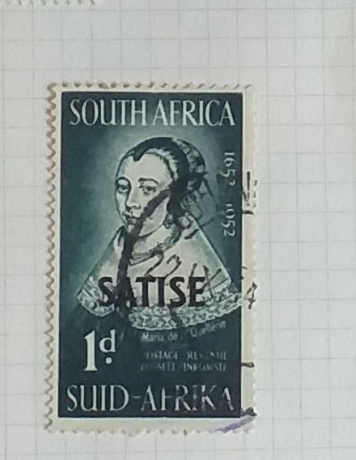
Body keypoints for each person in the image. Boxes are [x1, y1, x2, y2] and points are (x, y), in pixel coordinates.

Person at [78, 136, 239, 380]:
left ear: (175, 196)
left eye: (148, 189)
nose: (131, 203)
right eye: (123, 187)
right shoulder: (117, 252)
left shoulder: (195, 261)